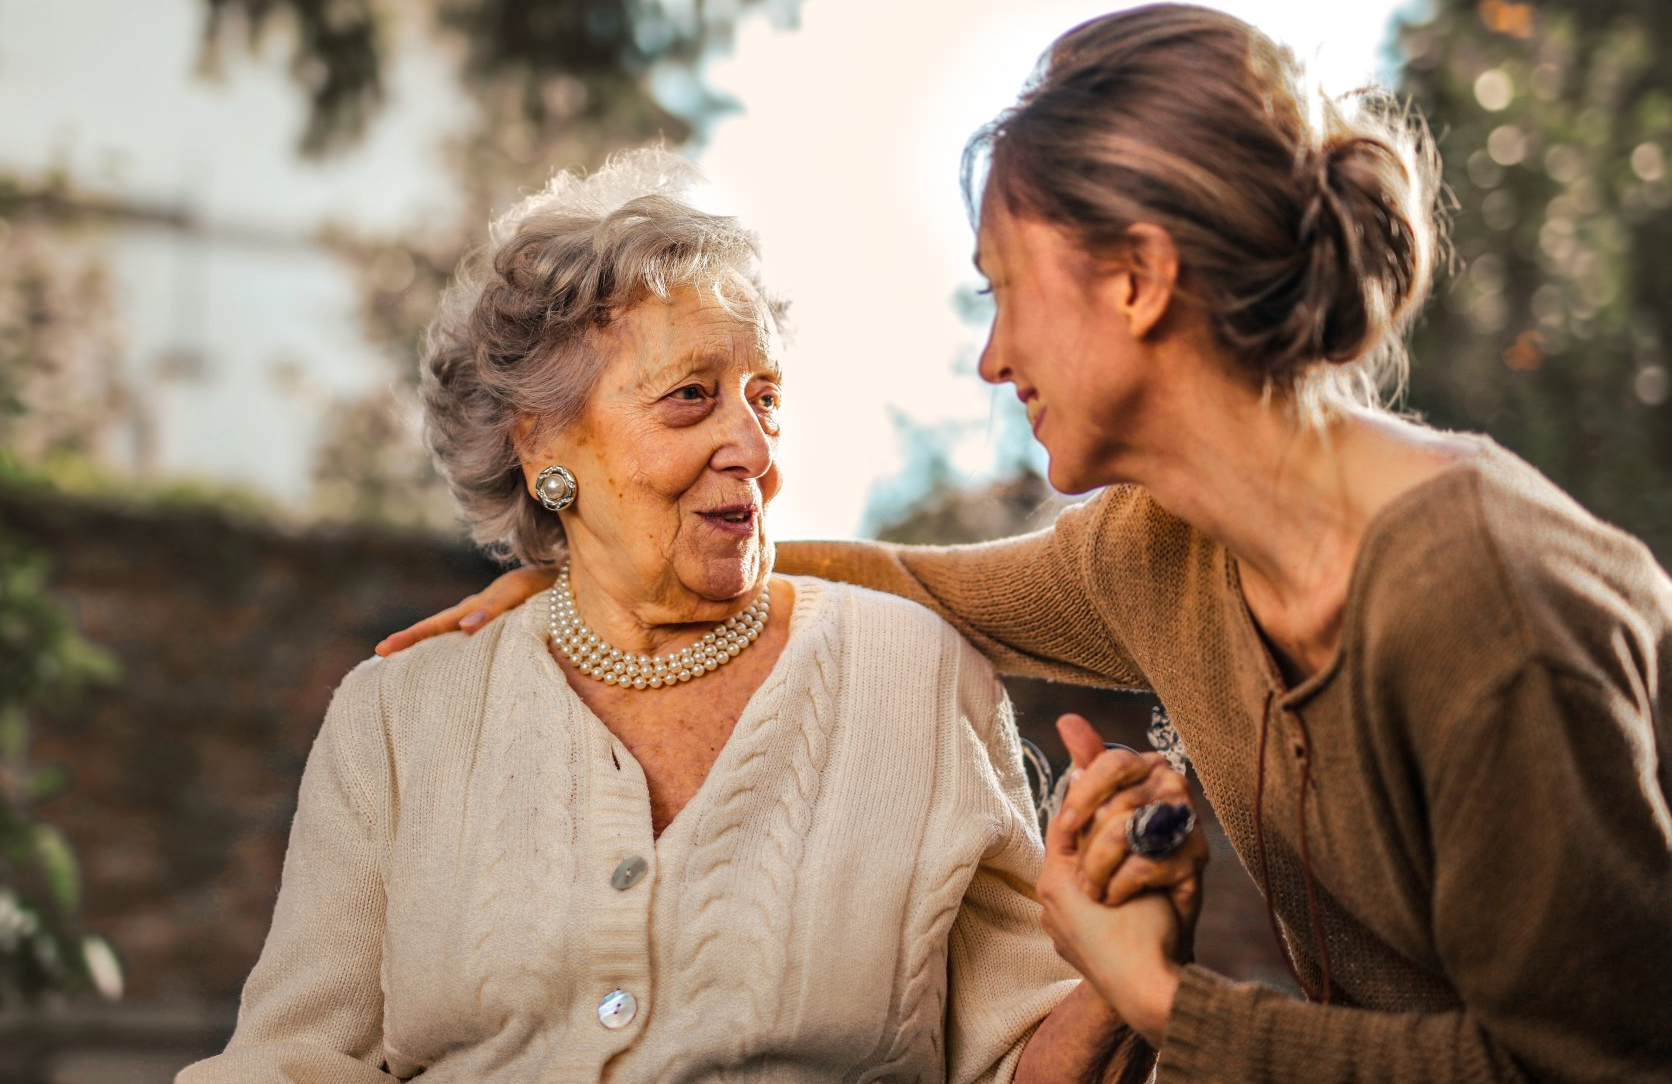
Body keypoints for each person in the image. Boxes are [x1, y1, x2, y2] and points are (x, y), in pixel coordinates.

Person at [375, 7, 1672, 1083]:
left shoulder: (1480, 602)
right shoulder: (1160, 550)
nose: (992, 356)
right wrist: (594, 579)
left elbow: (1592, 1066)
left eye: (1003, 288)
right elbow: (909, 581)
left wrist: (1164, 1003)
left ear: (1137, 278)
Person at [179, 149, 1197, 1084]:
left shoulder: (915, 675)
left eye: (765, 397)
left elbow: (1020, 1062)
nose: (753, 447)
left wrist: (1120, 975)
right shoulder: (400, 716)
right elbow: (292, 1062)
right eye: (690, 398)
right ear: (543, 447)